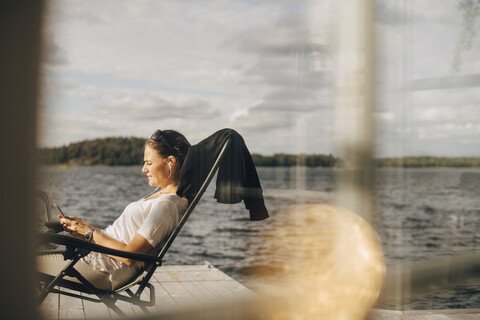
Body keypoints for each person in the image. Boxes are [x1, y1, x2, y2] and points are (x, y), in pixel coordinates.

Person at [37, 129, 191, 291]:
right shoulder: (163, 196)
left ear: (171, 162)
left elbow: (130, 256)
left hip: (102, 269)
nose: (143, 169)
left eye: (149, 163)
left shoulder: (168, 205)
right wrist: (83, 230)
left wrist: (89, 233)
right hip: (94, 257)